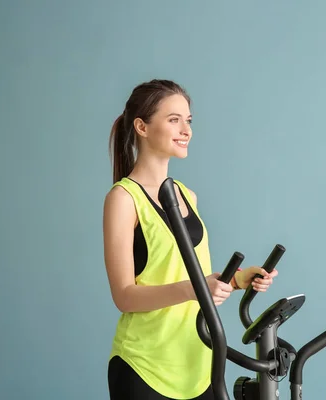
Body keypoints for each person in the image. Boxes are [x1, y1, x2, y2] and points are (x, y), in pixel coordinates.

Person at [103, 79, 278, 400]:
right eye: (174, 120)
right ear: (141, 127)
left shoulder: (186, 195)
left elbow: (186, 270)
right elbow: (124, 296)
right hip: (145, 365)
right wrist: (197, 289)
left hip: (198, 361)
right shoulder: (124, 198)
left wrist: (238, 280)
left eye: (189, 121)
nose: (187, 130)